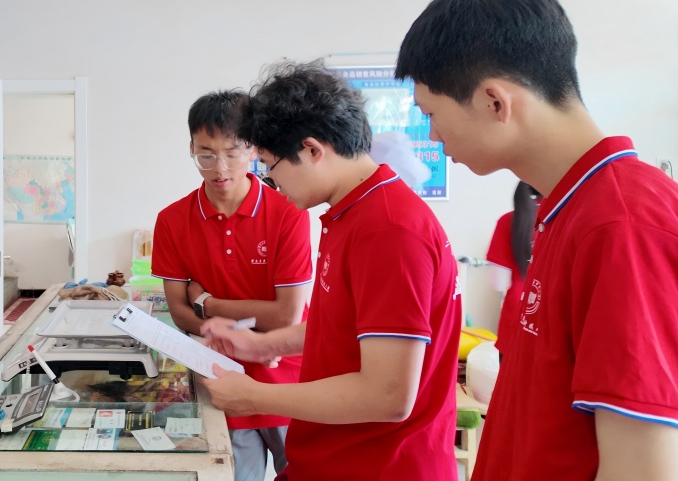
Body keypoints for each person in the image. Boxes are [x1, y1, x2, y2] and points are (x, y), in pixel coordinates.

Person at [395, 0, 678, 480]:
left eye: (431, 114)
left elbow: (643, 470)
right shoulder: (568, 209)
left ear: (494, 101)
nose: (433, 135)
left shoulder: (622, 224)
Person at [199, 63, 461, 480]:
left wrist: (255, 396)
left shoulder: (387, 230)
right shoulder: (351, 213)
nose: (271, 182)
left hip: (378, 466)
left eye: (270, 165)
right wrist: (262, 346)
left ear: (311, 150)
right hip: (334, 457)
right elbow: (345, 323)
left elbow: (388, 395)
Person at [151, 89, 312, 481]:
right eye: (206, 155)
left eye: (233, 152)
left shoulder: (288, 213)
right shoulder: (172, 220)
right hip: (223, 380)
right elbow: (179, 312)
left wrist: (207, 302)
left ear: (253, 148)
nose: (219, 168)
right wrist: (215, 324)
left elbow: (286, 316)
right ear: (192, 148)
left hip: (289, 379)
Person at [484, 180, 539, 361]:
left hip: (517, 317)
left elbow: (499, 283)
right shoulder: (568, 218)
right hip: (555, 322)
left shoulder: (509, 221)